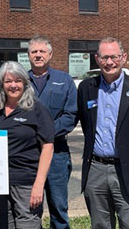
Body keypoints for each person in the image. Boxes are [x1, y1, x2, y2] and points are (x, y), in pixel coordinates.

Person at [77, 37, 129, 228]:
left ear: (123, 57)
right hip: (95, 169)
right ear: (97, 59)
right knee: (100, 225)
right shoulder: (87, 88)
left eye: (114, 57)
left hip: (128, 170)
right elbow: (79, 120)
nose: (109, 62)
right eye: (104, 58)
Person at [0, 62, 55, 228]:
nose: (13, 85)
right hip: (0, 185)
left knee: (28, 225)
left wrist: (39, 184)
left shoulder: (36, 109)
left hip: (26, 183)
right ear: (1, 85)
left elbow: (48, 146)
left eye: (17, 80)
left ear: (25, 82)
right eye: (8, 81)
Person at [25, 37, 77, 229]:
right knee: (30, 207)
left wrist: (44, 133)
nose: (38, 55)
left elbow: (71, 115)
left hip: (57, 153)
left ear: (50, 54)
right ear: (28, 55)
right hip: (28, 154)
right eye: (34, 52)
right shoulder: (20, 80)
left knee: (59, 208)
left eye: (42, 52)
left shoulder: (64, 80)